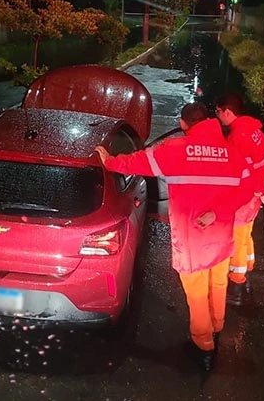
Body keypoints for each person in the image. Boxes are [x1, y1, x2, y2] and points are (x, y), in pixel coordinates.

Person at [95, 103, 255, 372]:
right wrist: (218, 212)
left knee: (196, 294)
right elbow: (249, 188)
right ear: (209, 121)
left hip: (193, 241)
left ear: (183, 124)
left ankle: (204, 346)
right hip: (221, 235)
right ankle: (217, 328)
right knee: (218, 285)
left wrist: (109, 161)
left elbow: (138, 162)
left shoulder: (175, 150)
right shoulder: (232, 152)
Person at [215, 93, 264, 306]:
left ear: (227, 112)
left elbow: (235, 171)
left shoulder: (237, 137)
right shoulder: (256, 132)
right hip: (256, 192)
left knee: (238, 239)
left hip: (245, 194)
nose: (218, 116)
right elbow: (263, 164)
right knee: (246, 235)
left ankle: (237, 286)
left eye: (219, 112)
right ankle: (247, 273)